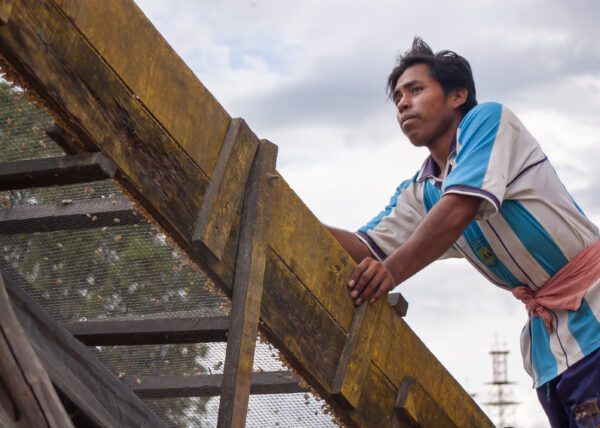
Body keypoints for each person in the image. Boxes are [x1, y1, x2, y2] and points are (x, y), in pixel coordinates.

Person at [327, 38, 600, 427]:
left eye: (416, 90)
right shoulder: (421, 191)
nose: (404, 103)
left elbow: (460, 206)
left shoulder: (489, 121)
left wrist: (390, 273)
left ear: (458, 95)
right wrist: (274, 202)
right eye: (398, 97)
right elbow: (363, 247)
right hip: (551, 354)